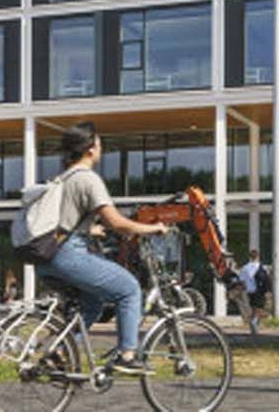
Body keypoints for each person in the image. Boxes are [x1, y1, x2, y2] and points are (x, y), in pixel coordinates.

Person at [30, 121, 171, 377]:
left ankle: (59, 352)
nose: (101, 148)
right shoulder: (87, 178)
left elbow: (64, 222)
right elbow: (116, 222)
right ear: (90, 149)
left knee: (93, 304)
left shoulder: (61, 179)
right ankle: (128, 355)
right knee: (129, 289)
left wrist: (89, 230)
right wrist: (152, 228)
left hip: (45, 259)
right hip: (68, 255)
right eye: (99, 143)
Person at [236, 248, 266, 334]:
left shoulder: (245, 268)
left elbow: (241, 281)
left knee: (253, 308)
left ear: (249, 257)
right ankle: (254, 322)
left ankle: (254, 328)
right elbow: (266, 279)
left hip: (249, 291)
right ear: (258, 256)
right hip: (259, 290)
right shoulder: (261, 267)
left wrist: (244, 289)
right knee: (260, 308)